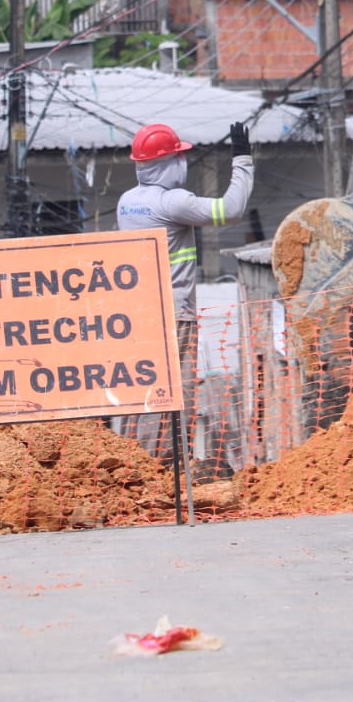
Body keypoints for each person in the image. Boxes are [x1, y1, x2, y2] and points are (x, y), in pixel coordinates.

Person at [116, 121, 253, 472]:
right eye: (179, 156)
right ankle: (166, 467)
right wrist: (242, 159)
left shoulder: (127, 202)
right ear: (166, 163)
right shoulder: (173, 202)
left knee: (147, 389)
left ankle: (142, 462)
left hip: (139, 315)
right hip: (175, 315)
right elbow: (231, 209)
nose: (184, 163)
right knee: (178, 392)